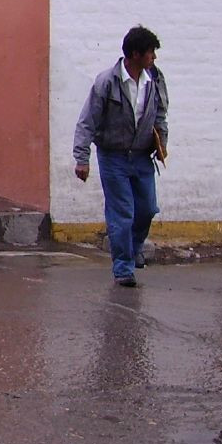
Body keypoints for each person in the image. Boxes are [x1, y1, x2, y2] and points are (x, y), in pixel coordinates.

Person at [73, 25, 169, 288]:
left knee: (148, 208)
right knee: (122, 212)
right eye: (151, 53)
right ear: (136, 54)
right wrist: (82, 158)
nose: (154, 58)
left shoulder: (155, 79)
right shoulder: (107, 82)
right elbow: (87, 121)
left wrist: (162, 145)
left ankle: (133, 248)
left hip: (141, 156)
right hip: (113, 156)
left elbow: (160, 115)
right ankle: (123, 268)